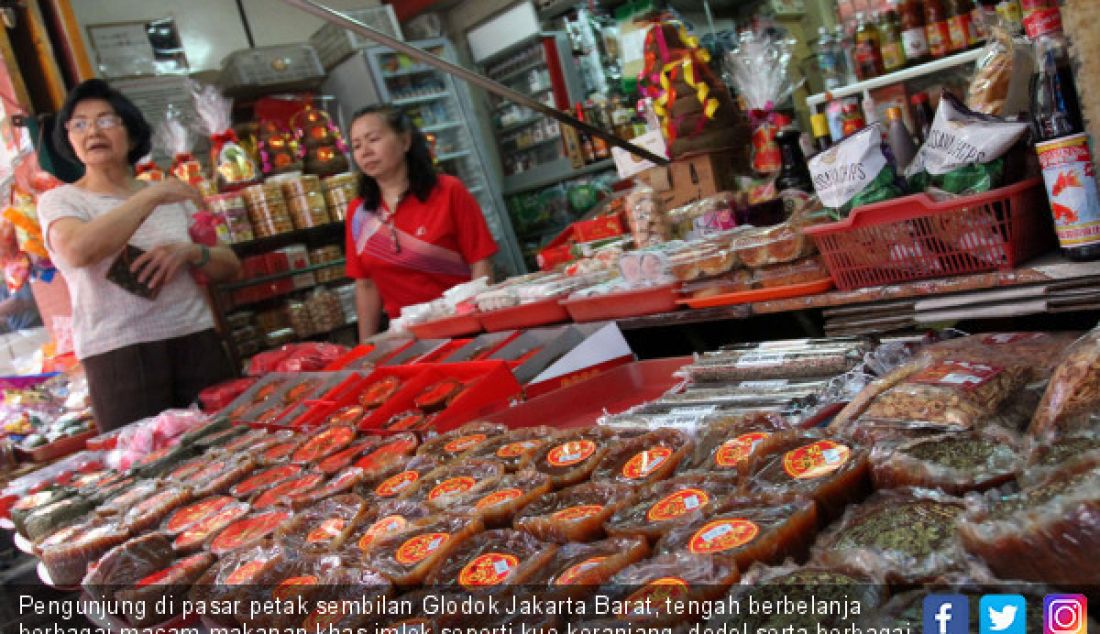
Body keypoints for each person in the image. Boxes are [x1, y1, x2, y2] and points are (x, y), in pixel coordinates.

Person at [37, 79, 241, 432]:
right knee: (144, 468)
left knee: (230, 443)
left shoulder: (174, 194)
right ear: (68, 137)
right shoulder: (62, 201)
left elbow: (230, 265)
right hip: (118, 357)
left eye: (105, 120)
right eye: (79, 124)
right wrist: (149, 197)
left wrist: (192, 252)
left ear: (130, 133)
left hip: (195, 340)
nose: (92, 132)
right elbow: (78, 250)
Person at [344, 104, 498, 339]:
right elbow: (366, 285)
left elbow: (481, 262)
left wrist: (478, 321)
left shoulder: (448, 191)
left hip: (463, 327)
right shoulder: (359, 213)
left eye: (373, 139)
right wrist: (366, 347)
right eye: (356, 146)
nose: (364, 151)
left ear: (405, 142)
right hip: (407, 338)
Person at [0, 218, 40, 333]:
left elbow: (22, 300)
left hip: (34, 325)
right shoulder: (9, 264)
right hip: (21, 328)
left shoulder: (20, 262)